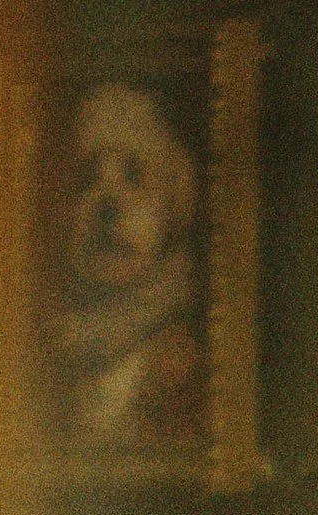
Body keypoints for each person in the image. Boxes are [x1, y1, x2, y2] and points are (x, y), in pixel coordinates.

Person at [54, 75, 206, 451]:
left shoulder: (182, 345)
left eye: (133, 178)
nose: (106, 205)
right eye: (86, 181)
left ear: (175, 199)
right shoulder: (58, 343)